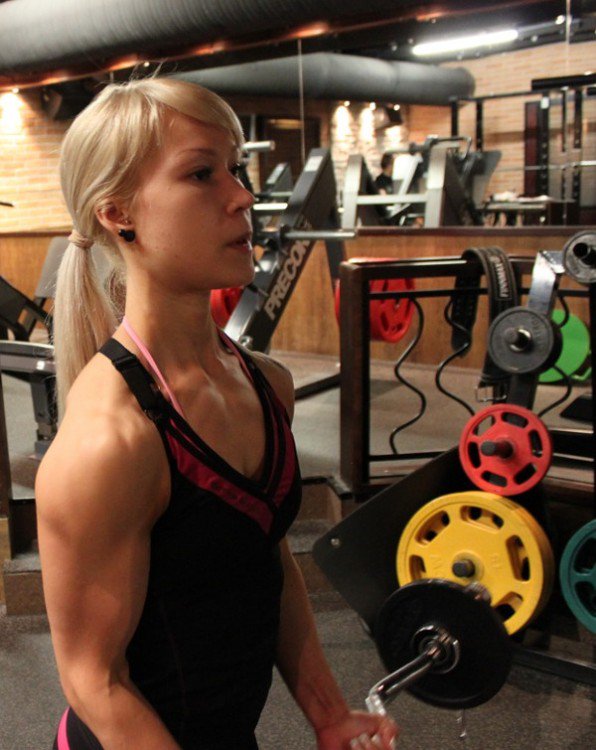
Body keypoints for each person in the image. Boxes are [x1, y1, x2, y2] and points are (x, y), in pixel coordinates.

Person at [35, 77, 399, 750]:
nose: (242, 196)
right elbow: (95, 681)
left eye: (236, 169)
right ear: (119, 213)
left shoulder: (266, 385)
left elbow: (262, 559)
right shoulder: (111, 442)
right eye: (202, 174)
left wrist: (328, 714)